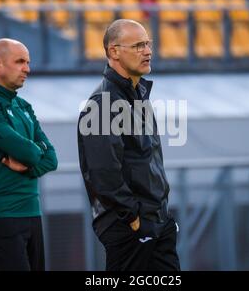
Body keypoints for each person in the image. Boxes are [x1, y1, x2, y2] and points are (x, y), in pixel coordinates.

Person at [77, 19, 180, 271]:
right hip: (131, 227)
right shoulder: (102, 104)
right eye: (137, 46)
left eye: (148, 44)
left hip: (157, 223)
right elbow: (103, 173)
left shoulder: (139, 95)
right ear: (113, 52)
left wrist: (162, 218)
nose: (147, 52)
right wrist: (133, 218)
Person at [0, 38, 58, 271]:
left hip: (32, 211)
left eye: (27, 62)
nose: (27, 68)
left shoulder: (23, 106)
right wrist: (33, 155)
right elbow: (28, 151)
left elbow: (52, 158)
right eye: (19, 62)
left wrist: (29, 165)